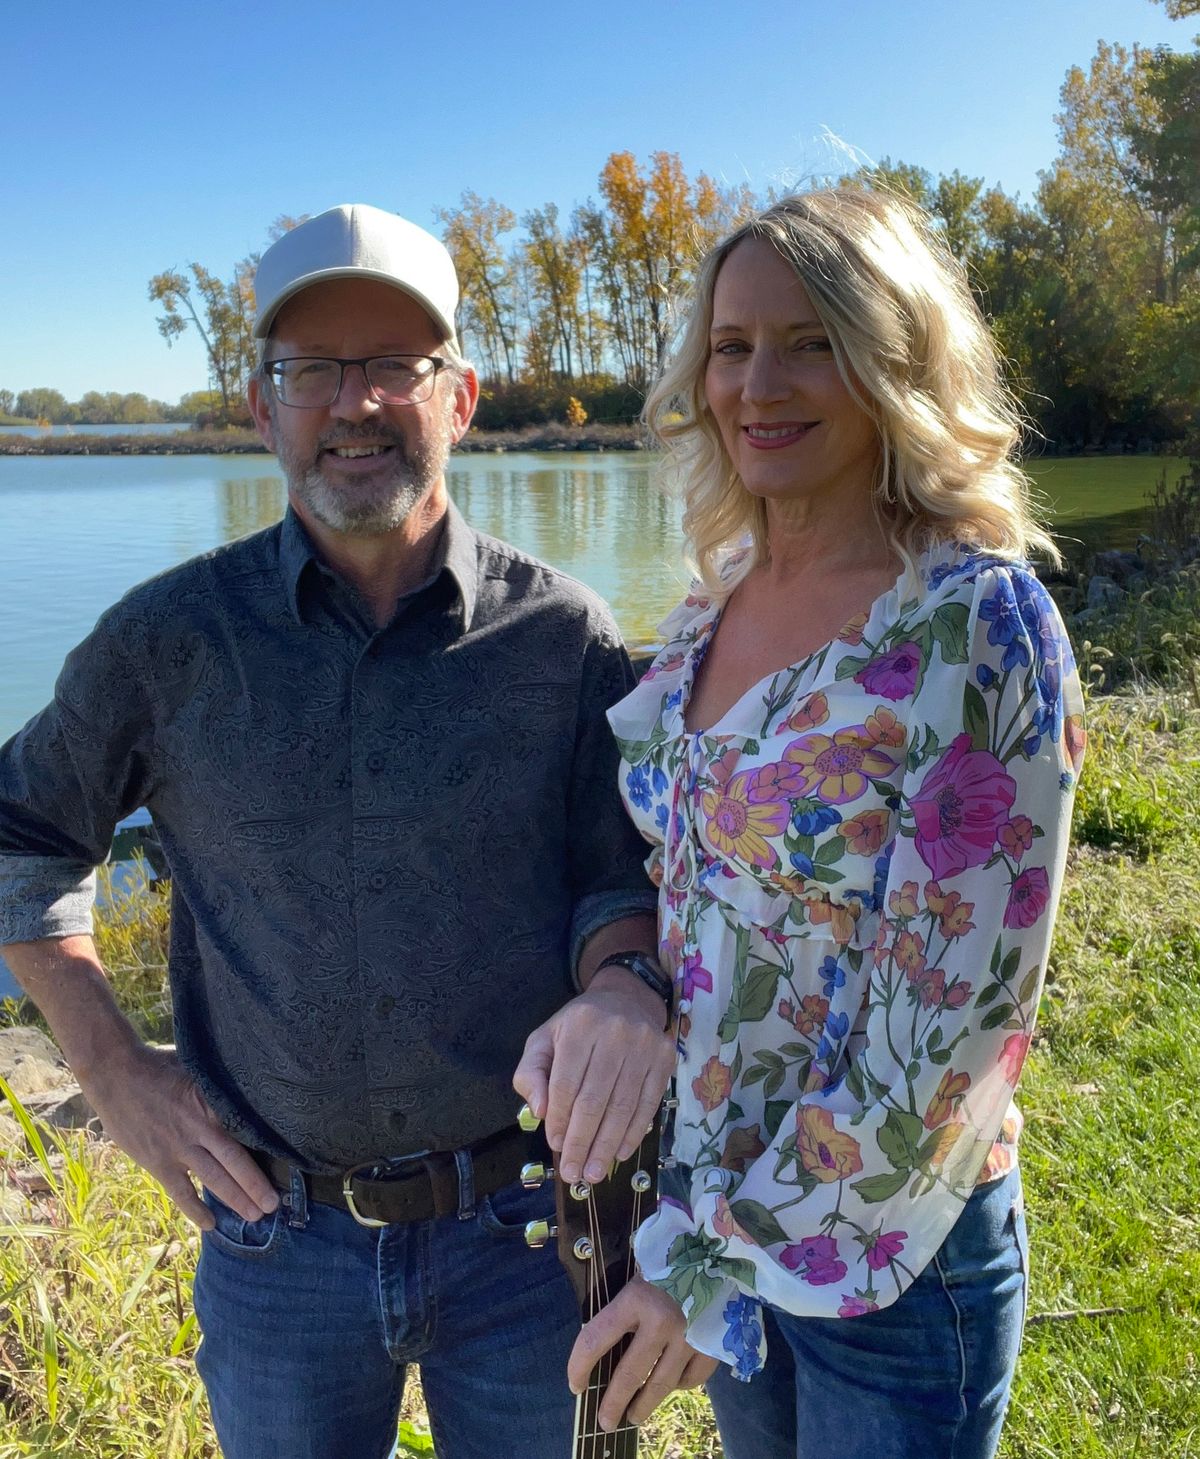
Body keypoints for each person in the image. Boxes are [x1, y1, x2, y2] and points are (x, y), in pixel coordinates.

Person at [0, 203, 698, 1459]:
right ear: (261, 407)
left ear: (462, 397)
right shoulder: (168, 642)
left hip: (531, 1235)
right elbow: (19, 830)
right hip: (278, 1244)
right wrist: (110, 1065)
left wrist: (629, 989)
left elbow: (615, 876)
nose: (355, 403)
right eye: (312, 370)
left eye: (394, 366)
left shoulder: (567, 639)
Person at [577, 189, 1086, 1457]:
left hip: (893, 1259)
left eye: (810, 341)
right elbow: (701, 896)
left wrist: (711, 1272)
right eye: (731, 344)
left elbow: (948, 1039)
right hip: (725, 1222)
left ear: (894, 363)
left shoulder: (972, 624)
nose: (758, 382)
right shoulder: (715, 603)